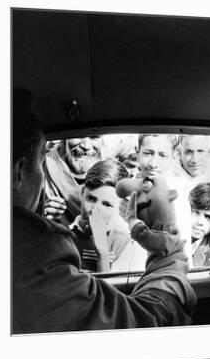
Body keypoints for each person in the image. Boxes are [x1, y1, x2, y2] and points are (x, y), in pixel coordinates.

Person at [12, 90, 196, 333]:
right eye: (40, 163)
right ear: (19, 171)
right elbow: (146, 327)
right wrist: (167, 253)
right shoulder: (38, 251)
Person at [68, 158, 146, 273]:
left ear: (120, 206)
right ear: (82, 192)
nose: (94, 211)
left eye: (107, 204)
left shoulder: (125, 243)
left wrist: (103, 253)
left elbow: (110, 290)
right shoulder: (64, 236)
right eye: (91, 199)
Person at [137, 134, 193, 260]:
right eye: (148, 153)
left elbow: (184, 251)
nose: (153, 163)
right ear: (137, 153)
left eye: (162, 155)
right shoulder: (126, 192)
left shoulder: (178, 199)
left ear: (173, 157)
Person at [43, 136, 103, 225]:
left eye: (94, 137)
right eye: (78, 136)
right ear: (65, 138)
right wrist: (42, 218)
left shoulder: (109, 172)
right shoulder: (44, 166)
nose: (86, 146)